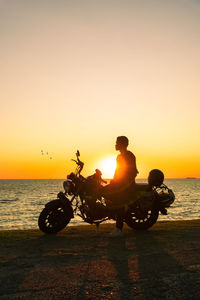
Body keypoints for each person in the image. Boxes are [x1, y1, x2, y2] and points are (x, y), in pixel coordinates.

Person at [103, 136, 138, 236]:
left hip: (127, 184)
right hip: (120, 183)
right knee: (103, 191)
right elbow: (118, 170)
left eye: (117, 143)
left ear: (123, 144)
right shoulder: (119, 157)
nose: (115, 144)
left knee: (119, 200)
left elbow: (132, 172)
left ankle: (119, 229)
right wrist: (113, 181)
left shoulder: (129, 155)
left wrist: (122, 183)